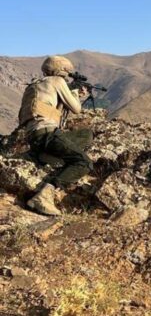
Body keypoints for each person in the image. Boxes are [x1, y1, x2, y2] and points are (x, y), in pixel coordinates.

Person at [18, 56, 93, 216]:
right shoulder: (57, 81)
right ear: (61, 70)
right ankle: (45, 195)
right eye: (67, 72)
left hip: (34, 136)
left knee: (86, 135)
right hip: (47, 133)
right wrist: (75, 94)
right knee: (84, 162)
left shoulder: (33, 86)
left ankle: (44, 156)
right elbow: (76, 109)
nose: (68, 76)